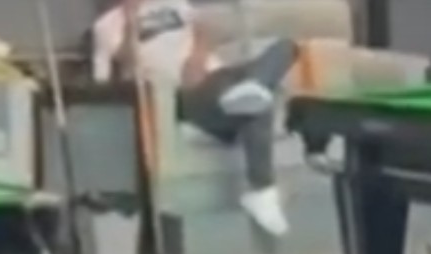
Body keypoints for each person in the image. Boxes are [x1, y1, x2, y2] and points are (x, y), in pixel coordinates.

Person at [90, 0, 301, 238]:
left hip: (218, 76)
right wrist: (130, 25)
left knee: (287, 47)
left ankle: (252, 86)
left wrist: (197, 58)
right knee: (257, 101)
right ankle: (262, 188)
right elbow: (123, 70)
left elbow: (202, 29)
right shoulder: (107, 25)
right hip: (186, 94)